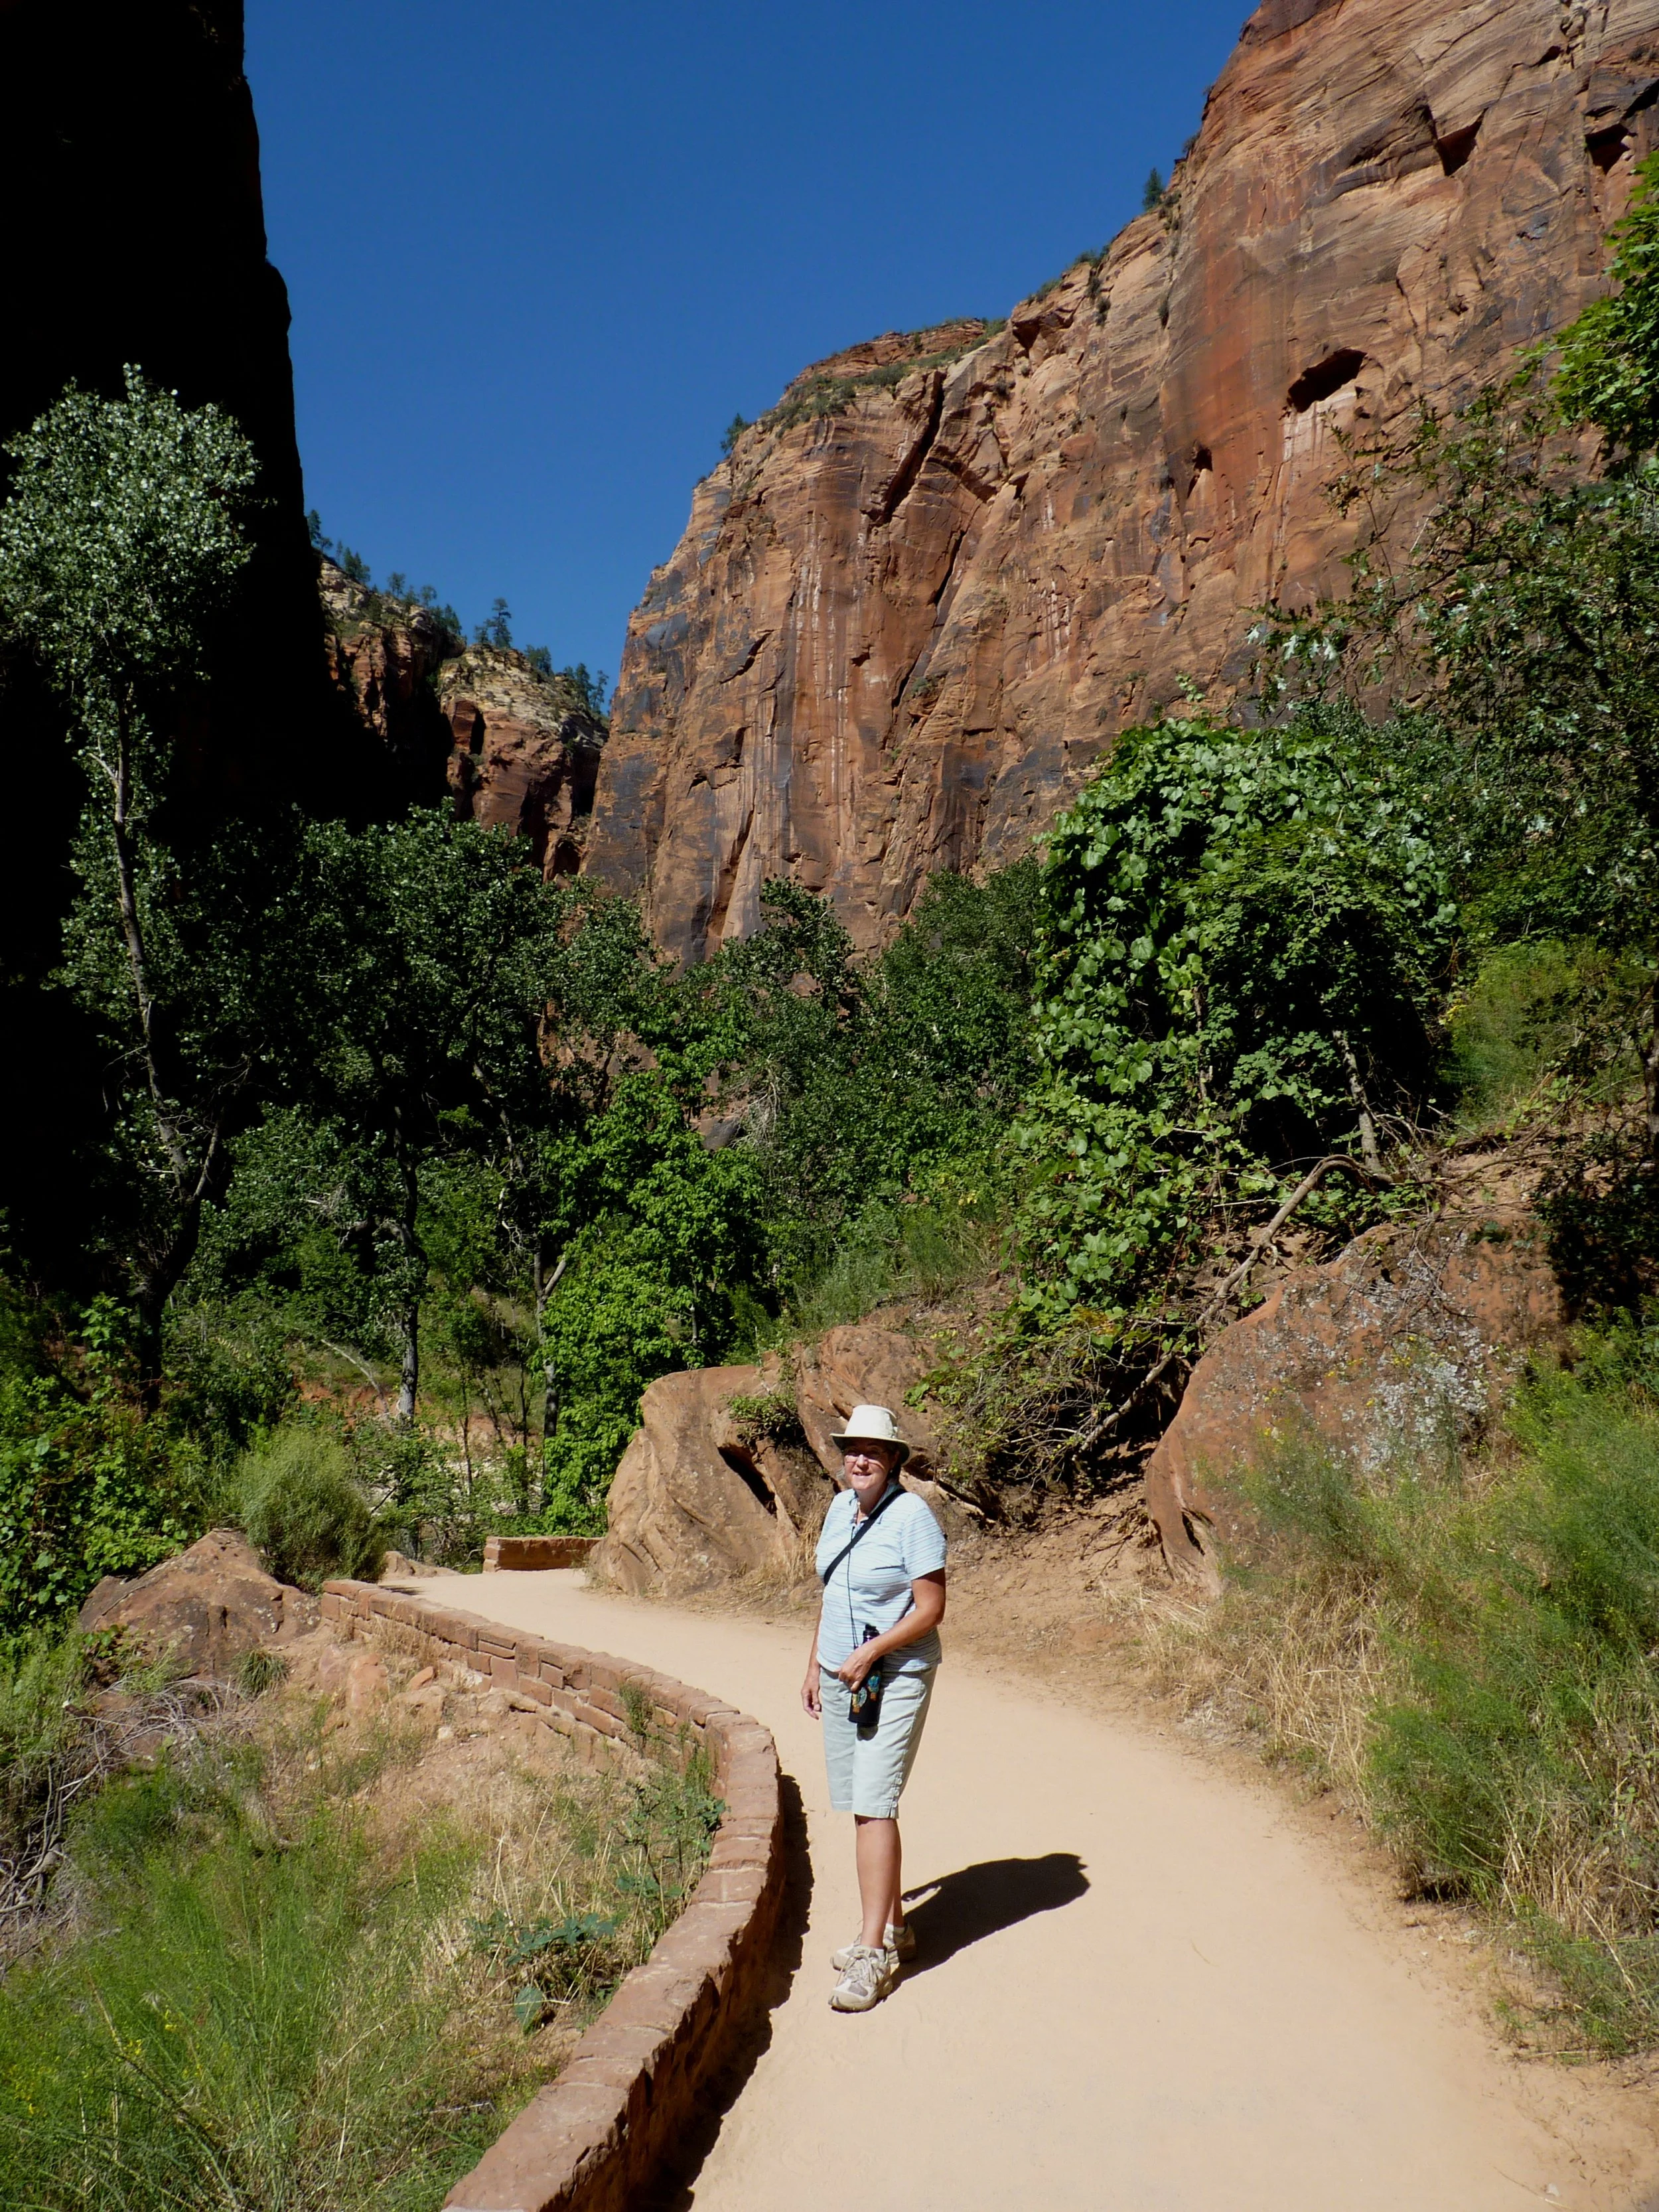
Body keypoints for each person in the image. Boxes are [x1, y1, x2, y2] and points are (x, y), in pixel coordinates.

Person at [802, 1402, 946, 2012]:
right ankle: (896, 1928)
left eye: (873, 1451)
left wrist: (874, 1652)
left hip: (895, 1673)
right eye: (852, 1449)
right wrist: (815, 1661)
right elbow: (835, 1590)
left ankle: (872, 1952)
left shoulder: (913, 1516)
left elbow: (931, 1607)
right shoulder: (840, 1508)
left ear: (892, 1460)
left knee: (872, 1802)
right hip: (842, 1674)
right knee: (865, 1801)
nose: (859, 1459)